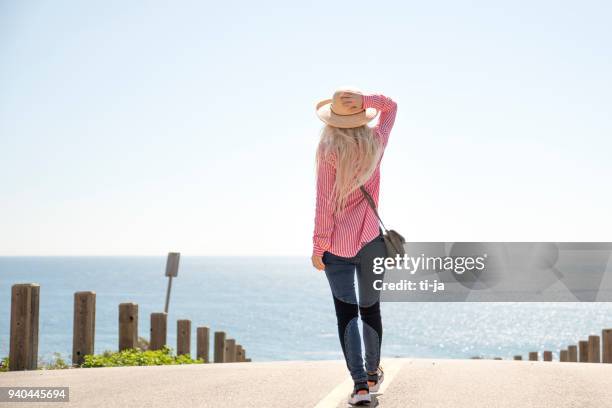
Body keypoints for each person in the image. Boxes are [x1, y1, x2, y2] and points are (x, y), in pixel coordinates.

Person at [311, 87, 397, 405]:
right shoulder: (376, 142)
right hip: (371, 244)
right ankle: (373, 374)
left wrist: (318, 247)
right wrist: (368, 101)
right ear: (361, 116)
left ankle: (360, 386)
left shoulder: (326, 152)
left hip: (336, 248)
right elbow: (391, 107)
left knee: (346, 314)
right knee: (370, 309)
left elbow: (323, 205)